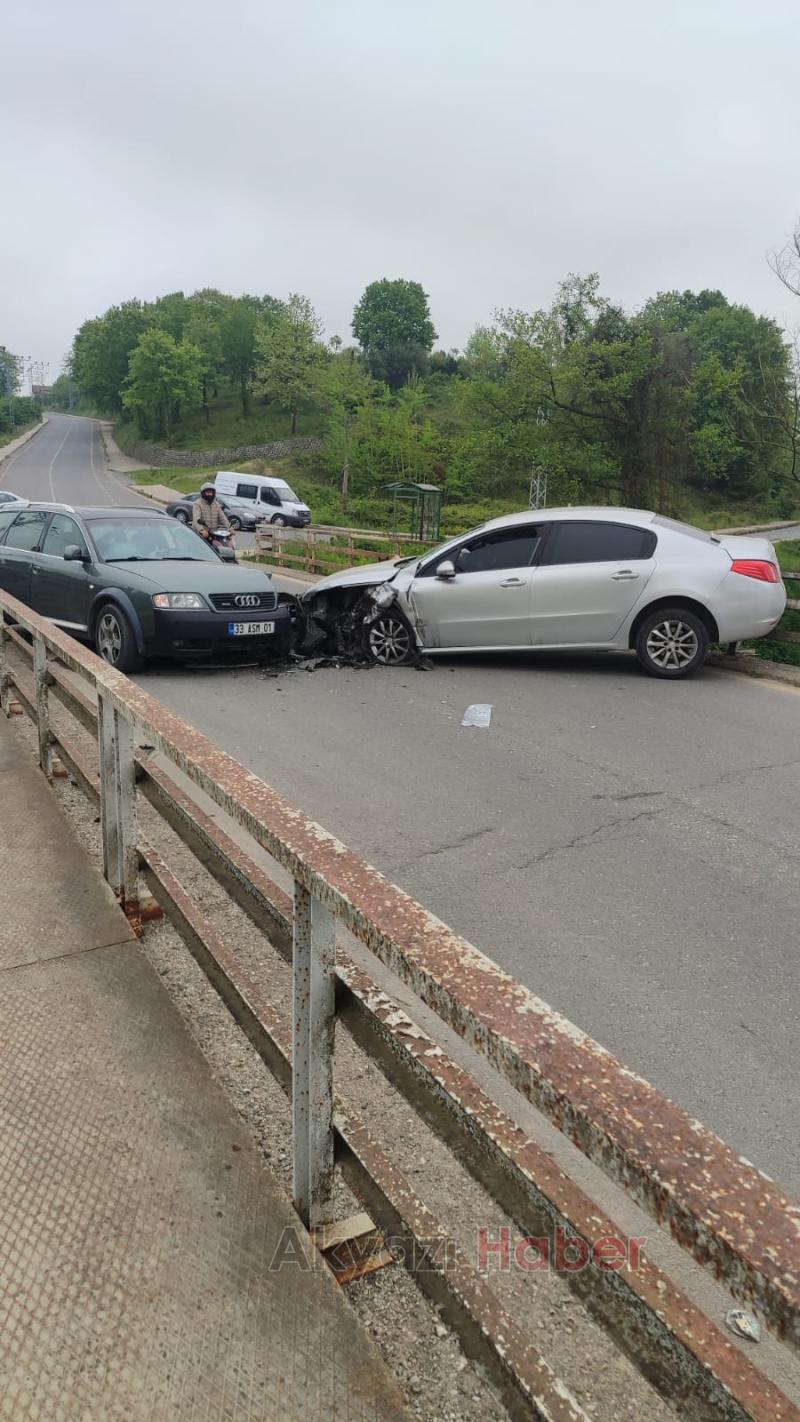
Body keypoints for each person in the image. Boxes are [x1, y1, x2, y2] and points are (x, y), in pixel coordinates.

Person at [193, 481, 233, 547]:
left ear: (214, 493)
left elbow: (223, 518)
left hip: (213, 533)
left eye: (211, 492)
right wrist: (201, 530)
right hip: (200, 534)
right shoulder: (197, 504)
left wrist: (230, 527)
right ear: (203, 493)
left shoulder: (216, 504)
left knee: (223, 545)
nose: (209, 494)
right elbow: (196, 519)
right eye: (207, 492)